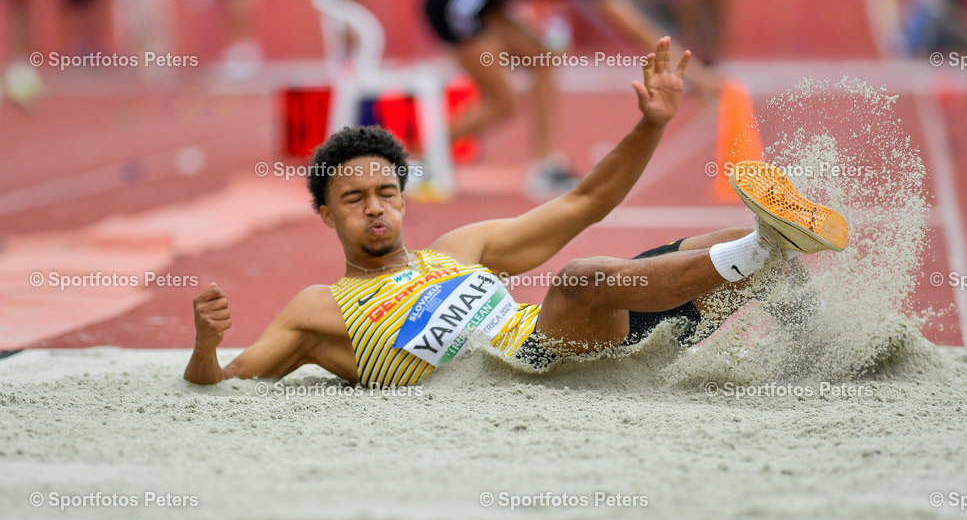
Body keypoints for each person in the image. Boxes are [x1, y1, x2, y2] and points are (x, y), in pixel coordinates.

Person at [183, 38, 847, 388]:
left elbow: (586, 200)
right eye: (353, 200)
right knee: (580, 276)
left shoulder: (459, 249)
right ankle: (765, 243)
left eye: (386, 193)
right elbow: (227, 380)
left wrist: (651, 124)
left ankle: (819, 348)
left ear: (404, 198)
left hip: (588, 332)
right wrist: (207, 347)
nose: (375, 209)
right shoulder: (318, 309)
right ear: (327, 216)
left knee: (715, 240)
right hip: (525, 369)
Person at [423, 0, 721, 198]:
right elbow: (634, 27)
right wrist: (699, 76)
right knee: (503, 102)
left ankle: (545, 166)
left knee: (542, 58)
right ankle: (420, 158)